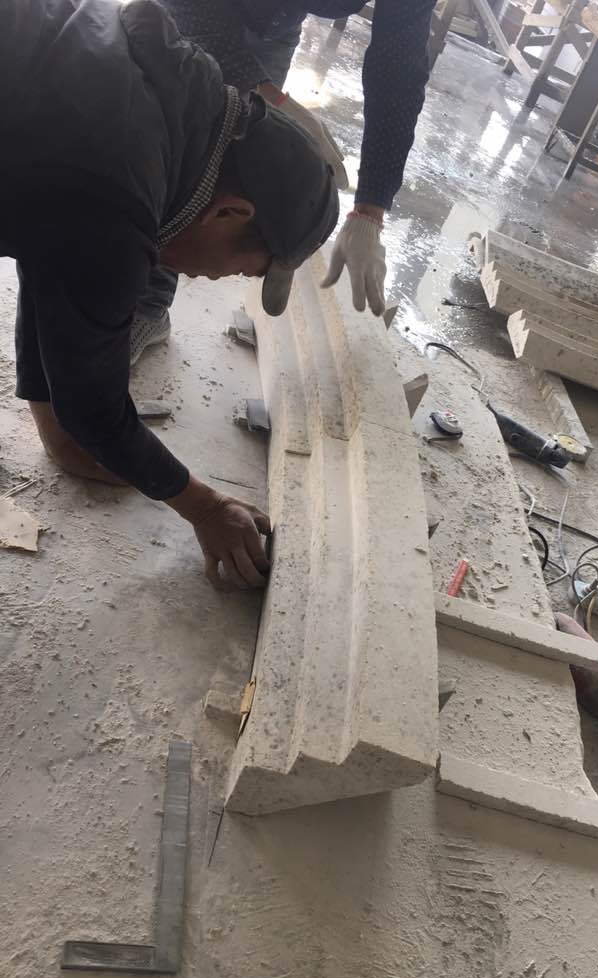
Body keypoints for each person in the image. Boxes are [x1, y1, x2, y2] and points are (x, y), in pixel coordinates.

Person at [1, 0, 338, 589]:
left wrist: (58, 420)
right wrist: (204, 506)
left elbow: (51, 248)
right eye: (246, 268)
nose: (219, 280)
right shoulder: (120, 198)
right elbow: (94, 404)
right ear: (230, 212)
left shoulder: (156, 85)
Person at [130, 0, 437, 362]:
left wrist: (370, 211)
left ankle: (152, 300)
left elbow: (400, 63)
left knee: (251, 171)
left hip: (276, 25)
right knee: (185, 139)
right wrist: (258, 87)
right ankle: (131, 272)